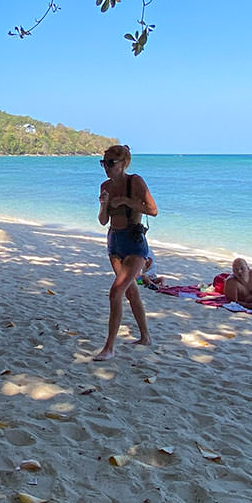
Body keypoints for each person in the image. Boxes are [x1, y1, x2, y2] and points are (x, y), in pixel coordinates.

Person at [95, 144, 157, 360]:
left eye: (111, 163)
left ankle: (109, 347)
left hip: (134, 243)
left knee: (116, 293)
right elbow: (103, 221)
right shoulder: (105, 186)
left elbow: (153, 210)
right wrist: (104, 205)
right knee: (130, 292)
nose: (106, 167)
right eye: (104, 163)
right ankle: (145, 337)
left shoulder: (135, 182)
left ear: (123, 163)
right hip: (114, 242)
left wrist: (126, 201)